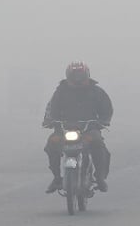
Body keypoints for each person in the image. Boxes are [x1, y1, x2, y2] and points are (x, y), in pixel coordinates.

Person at [42, 62, 113, 193]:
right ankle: (57, 178)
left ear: (87, 74)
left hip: (89, 129)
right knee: (52, 144)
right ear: (68, 75)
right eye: (75, 75)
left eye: (81, 75)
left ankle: (100, 178)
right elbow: (51, 108)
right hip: (64, 129)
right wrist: (49, 121)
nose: (78, 78)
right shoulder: (60, 91)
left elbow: (107, 109)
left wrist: (103, 121)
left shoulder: (96, 92)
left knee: (99, 146)